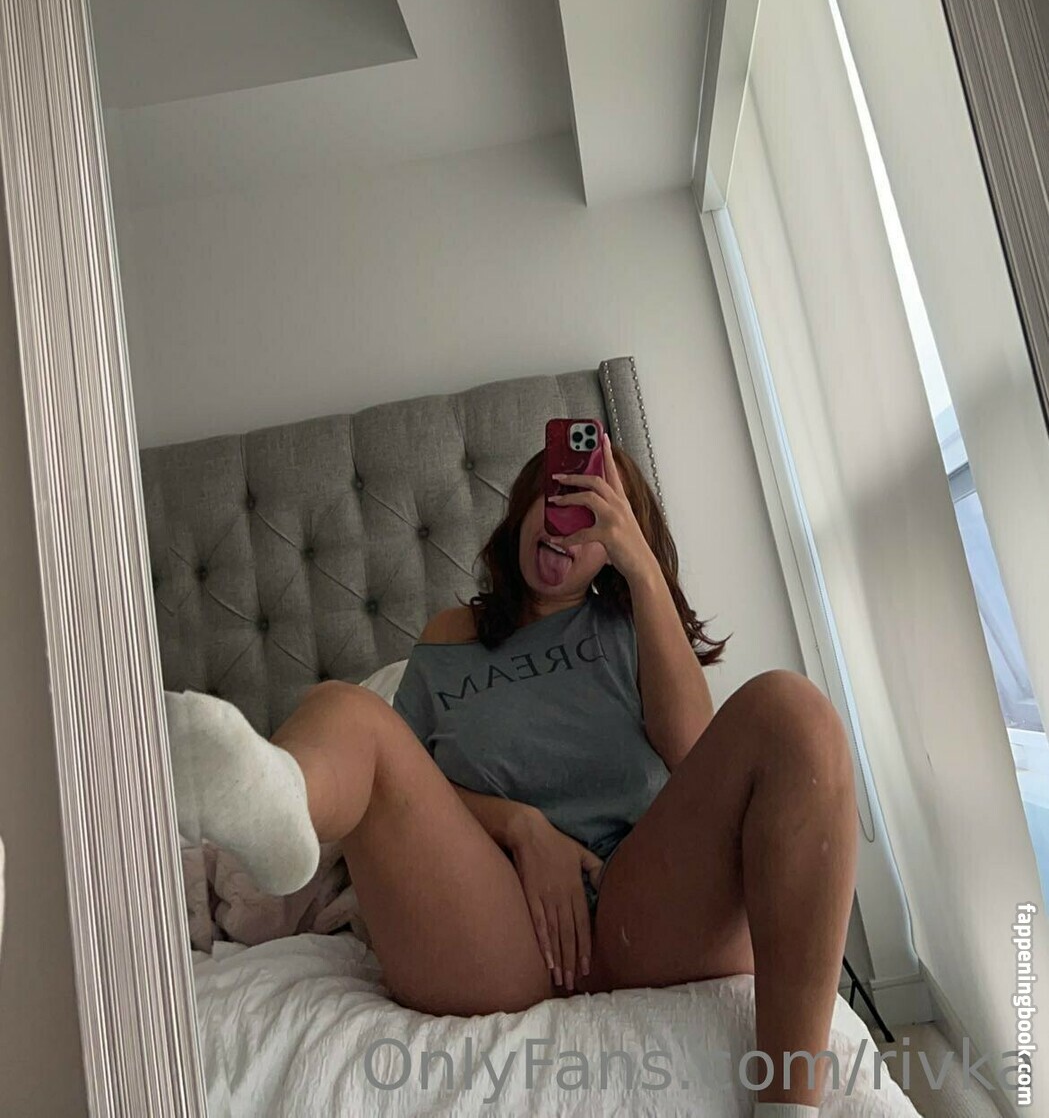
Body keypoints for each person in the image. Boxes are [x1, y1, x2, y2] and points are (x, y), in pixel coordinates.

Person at [166, 431, 857, 1113]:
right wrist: (521, 827)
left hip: (640, 910)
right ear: (524, 506)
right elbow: (401, 790)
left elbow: (690, 750)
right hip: (494, 928)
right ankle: (279, 802)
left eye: (592, 515)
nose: (564, 526)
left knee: (794, 710)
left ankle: (790, 1109)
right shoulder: (448, 636)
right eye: (555, 498)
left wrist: (643, 571)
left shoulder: (630, 625)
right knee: (345, 708)